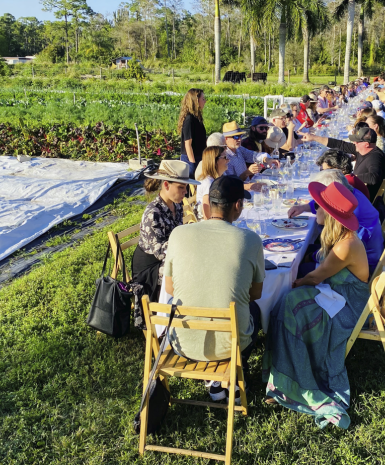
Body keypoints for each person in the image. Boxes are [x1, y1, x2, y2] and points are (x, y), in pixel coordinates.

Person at [263, 181, 370, 428]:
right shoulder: (340, 236)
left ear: (329, 215)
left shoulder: (346, 245)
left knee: (290, 305)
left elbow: (314, 278)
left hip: (346, 306)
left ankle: (291, 382)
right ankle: (279, 377)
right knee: (287, 304)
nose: (315, 210)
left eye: (319, 207)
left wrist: (293, 282)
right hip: (334, 294)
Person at [165, 176, 264, 402]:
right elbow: (255, 295)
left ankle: (220, 380)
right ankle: (236, 375)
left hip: (181, 341)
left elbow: (170, 288)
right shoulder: (250, 239)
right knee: (254, 310)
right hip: (229, 344)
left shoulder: (178, 233)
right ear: (238, 205)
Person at [131, 161, 200, 328]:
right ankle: (182, 317)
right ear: (167, 185)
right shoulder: (153, 213)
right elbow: (161, 251)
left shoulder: (176, 205)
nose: (185, 192)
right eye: (181, 188)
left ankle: (192, 313)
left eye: (186, 188)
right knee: (190, 270)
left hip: (167, 259)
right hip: (150, 271)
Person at [289, 168, 383, 273]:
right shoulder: (351, 197)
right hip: (357, 256)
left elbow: (341, 252)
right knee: (303, 250)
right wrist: (303, 208)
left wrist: (312, 257)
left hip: (358, 267)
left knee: (298, 269)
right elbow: (326, 204)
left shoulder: (350, 215)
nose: (317, 203)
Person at [302, 126, 385, 201]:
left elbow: (374, 177)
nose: (354, 143)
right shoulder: (361, 150)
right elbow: (339, 144)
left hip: (360, 199)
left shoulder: (375, 157)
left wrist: (348, 178)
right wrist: (313, 137)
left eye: (357, 142)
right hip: (355, 192)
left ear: (366, 144)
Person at [222, 121, 276, 191]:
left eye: (240, 136)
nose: (239, 139)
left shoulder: (239, 149)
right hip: (238, 193)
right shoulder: (224, 157)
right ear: (226, 138)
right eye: (236, 137)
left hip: (249, 188)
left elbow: (256, 156)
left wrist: (268, 160)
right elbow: (232, 184)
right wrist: (247, 172)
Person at [177, 88, 206, 176]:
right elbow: (188, 144)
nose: (205, 101)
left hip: (198, 156)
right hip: (190, 158)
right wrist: (193, 164)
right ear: (196, 101)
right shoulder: (189, 119)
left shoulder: (197, 118)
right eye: (203, 99)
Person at [196, 146, 229, 220]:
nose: (228, 160)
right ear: (215, 161)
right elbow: (206, 215)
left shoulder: (219, 177)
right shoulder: (208, 182)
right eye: (225, 157)